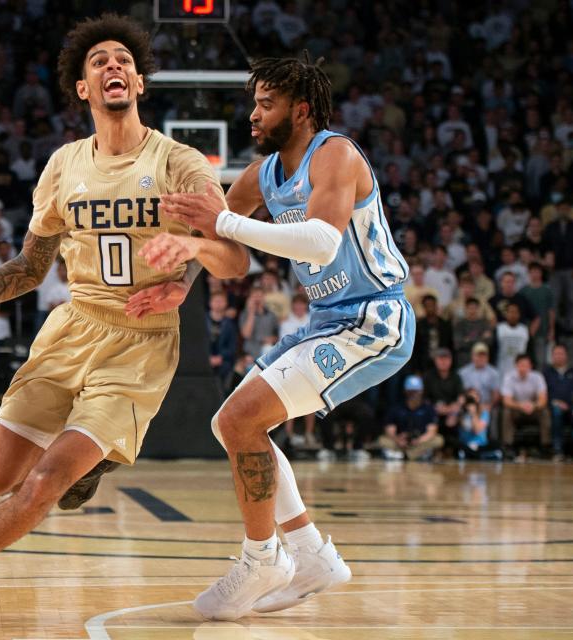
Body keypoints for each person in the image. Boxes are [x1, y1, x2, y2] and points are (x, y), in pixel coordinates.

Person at [0, 14, 248, 625]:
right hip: (73, 326)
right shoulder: (64, 166)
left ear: (139, 82)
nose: (112, 66)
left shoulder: (181, 163)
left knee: (47, 480)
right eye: (99, 62)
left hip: (140, 343)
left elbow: (235, 258)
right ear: (83, 89)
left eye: (123, 60)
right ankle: (98, 462)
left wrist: (191, 257)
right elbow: (31, 268)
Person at [149, 55, 413, 620]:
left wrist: (220, 223)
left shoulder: (335, 154)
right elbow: (215, 237)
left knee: (242, 420)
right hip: (327, 322)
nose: (253, 115)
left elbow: (318, 242)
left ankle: (263, 555)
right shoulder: (262, 173)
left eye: (266, 104)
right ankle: (309, 554)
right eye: (254, 103)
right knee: (232, 424)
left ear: (300, 109)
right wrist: (184, 277)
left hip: (374, 319)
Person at [378, 375, 443, 461]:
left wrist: (418, 441)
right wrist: (398, 439)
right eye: (411, 391)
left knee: (439, 440)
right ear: (405, 391)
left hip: (420, 441)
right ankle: (416, 455)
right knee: (382, 440)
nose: (414, 395)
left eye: (416, 391)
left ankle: (404, 455)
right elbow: (390, 430)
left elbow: (432, 431)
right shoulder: (396, 408)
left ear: (421, 391)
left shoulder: (428, 409)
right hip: (400, 441)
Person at [501, 354, 552, 458]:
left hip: (533, 409)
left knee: (545, 411)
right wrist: (521, 405)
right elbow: (506, 401)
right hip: (517, 409)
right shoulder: (509, 377)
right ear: (516, 366)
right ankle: (508, 446)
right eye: (521, 365)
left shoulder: (538, 377)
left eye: (526, 365)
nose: (523, 368)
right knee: (506, 412)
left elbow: (543, 400)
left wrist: (533, 405)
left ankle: (546, 446)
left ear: (530, 366)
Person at [458, 342, 502, 411]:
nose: (481, 358)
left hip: (486, 406)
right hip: (467, 407)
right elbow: (460, 393)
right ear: (472, 356)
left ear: (488, 357)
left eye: (483, 356)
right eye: (478, 355)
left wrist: (490, 406)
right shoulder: (462, 372)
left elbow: (495, 394)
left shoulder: (494, 373)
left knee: (484, 418)